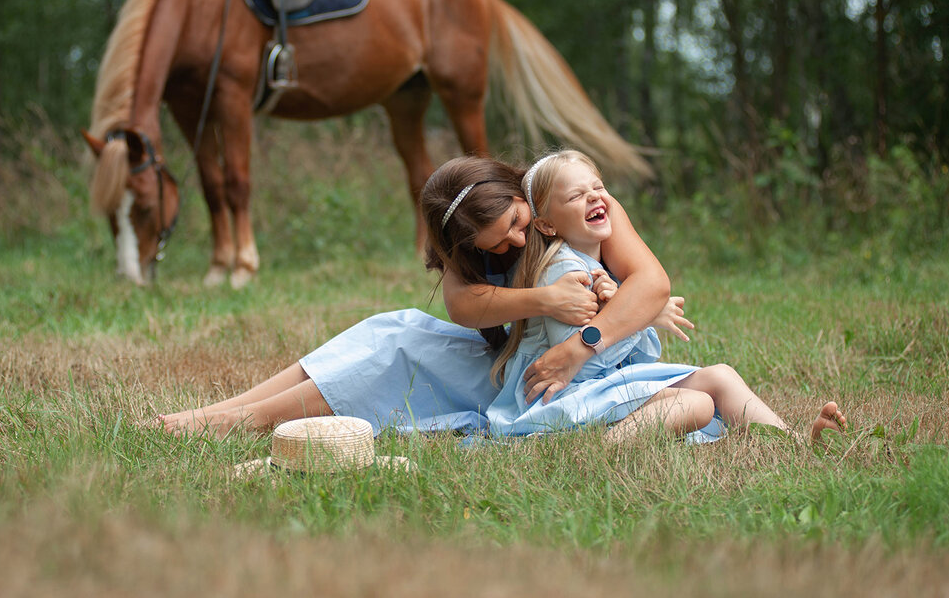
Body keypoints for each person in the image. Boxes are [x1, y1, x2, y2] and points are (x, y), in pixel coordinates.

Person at [156, 153, 673, 436]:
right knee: (390, 328)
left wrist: (580, 341)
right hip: (510, 352)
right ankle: (222, 410)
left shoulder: (572, 200)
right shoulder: (472, 234)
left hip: (554, 369)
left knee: (394, 353)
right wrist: (544, 301)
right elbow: (464, 306)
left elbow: (651, 284)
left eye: (518, 224)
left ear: (521, 196)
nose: (517, 241)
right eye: (500, 243)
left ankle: (240, 421)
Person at [484, 150, 847, 445]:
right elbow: (579, 365)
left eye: (598, 187)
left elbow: (641, 355)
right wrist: (626, 315)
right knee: (696, 404)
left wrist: (626, 311)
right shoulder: (564, 271)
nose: (595, 196)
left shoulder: (599, 264)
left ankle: (793, 444)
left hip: (599, 389)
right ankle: (602, 446)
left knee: (719, 376)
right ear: (547, 224)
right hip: (565, 399)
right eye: (576, 196)